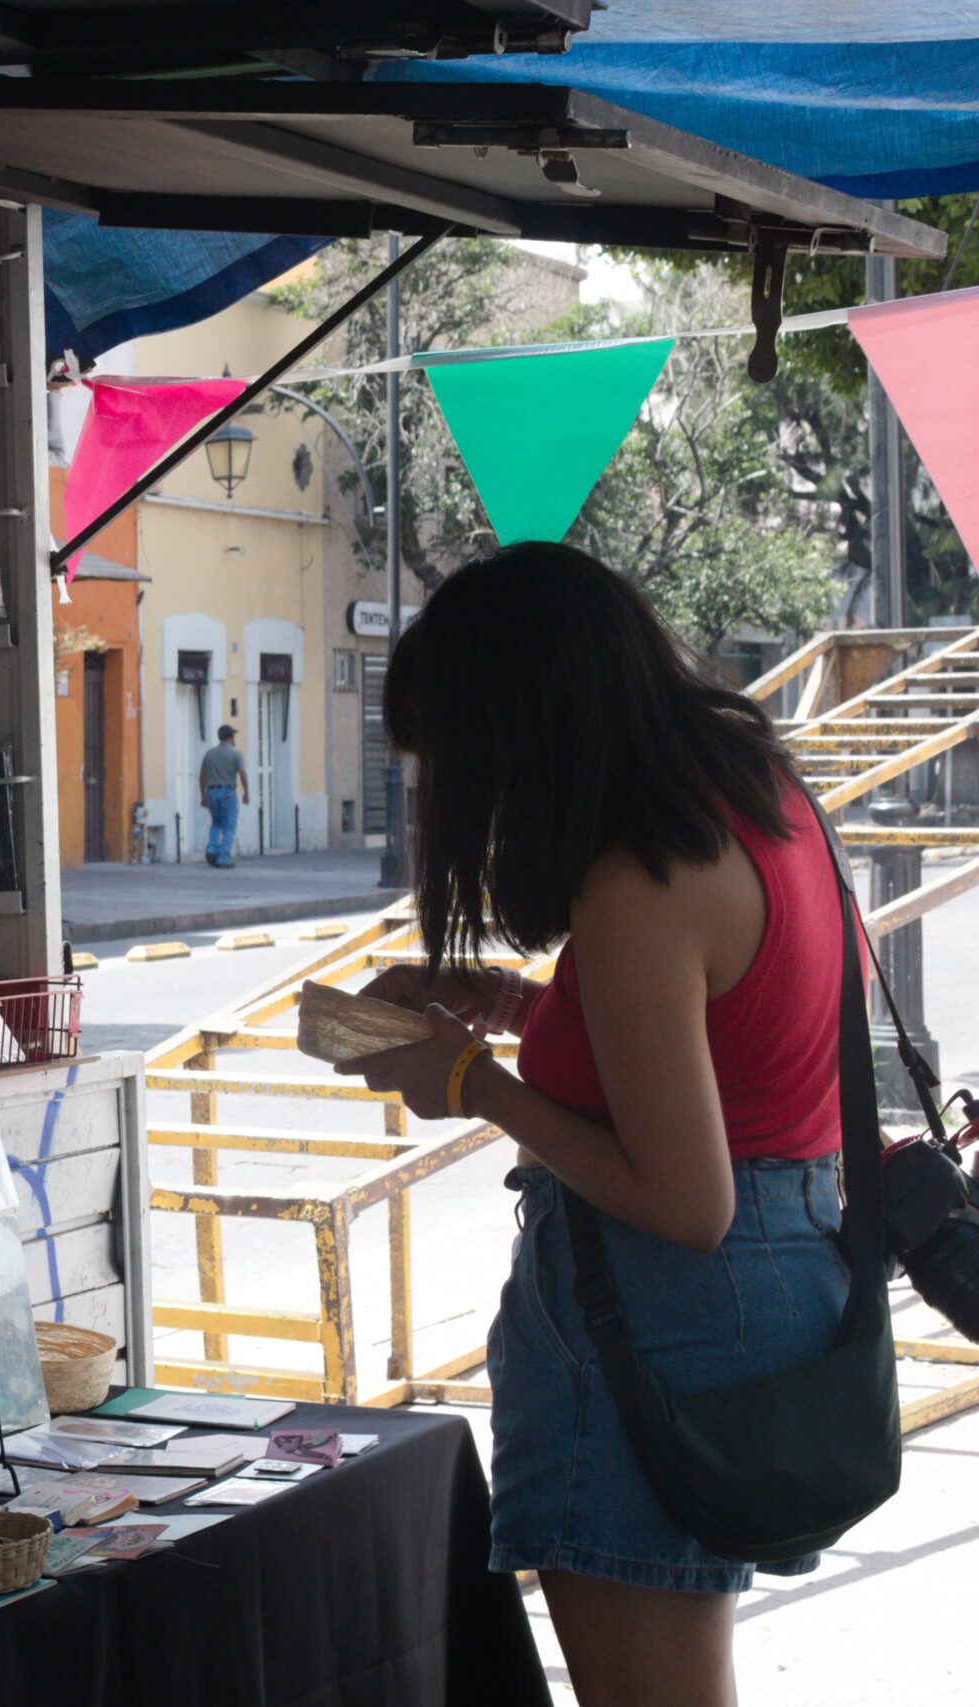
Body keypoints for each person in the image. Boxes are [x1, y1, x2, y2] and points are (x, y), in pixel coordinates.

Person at [339, 543, 856, 1707]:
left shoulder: (637, 883)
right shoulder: (759, 799)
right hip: (763, 1289)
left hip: (660, 1314)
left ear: (524, 728)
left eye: (461, 760)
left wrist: (468, 1079)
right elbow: (714, 1039)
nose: (467, 800)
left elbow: (685, 1201)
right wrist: (519, 1004)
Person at [200, 722, 248, 866]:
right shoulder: (236, 753)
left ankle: (211, 848)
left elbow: (202, 776)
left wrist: (203, 794)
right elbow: (242, 774)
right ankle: (222, 858)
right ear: (230, 737)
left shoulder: (209, 754)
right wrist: (246, 792)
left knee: (216, 823)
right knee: (229, 825)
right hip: (227, 791)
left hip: (211, 791)